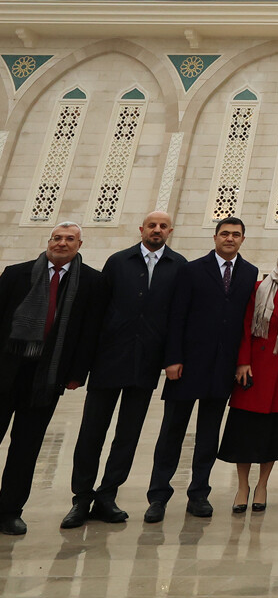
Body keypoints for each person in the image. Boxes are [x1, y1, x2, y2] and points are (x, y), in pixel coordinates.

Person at [63, 211, 184, 528]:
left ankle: (107, 495)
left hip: (145, 364)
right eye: (151, 225)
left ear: (170, 231)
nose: (156, 230)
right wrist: (83, 365)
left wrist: (171, 357)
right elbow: (98, 313)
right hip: (108, 360)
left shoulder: (178, 266)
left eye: (162, 226)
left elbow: (177, 319)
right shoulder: (118, 262)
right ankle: (81, 498)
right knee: (92, 432)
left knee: (127, 436)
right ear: (141, 229)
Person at [146, 216, 258, 523]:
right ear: (215, 237)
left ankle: (198, 493)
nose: (230, 239)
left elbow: (244, 322)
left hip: (221, 369)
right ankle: (158, 495)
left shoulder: (249, 273)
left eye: (236, 234)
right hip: (187, 365)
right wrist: (172, 359)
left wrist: (239, 361)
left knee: (208, 434)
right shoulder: (191, 270)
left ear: (242, 239)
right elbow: (177, 316)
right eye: (225, 234)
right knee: (172, 433)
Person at [0, 222, 102, 535]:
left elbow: (88, 333)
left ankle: (9, 511)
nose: (61, 243)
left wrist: (76, 374)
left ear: (79, 245)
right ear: (48, 241)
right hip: (6, 371)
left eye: (69, 239)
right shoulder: (16, 274)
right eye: (57, 238)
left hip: (47, 375)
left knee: (26, 446)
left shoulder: (91, 282)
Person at [218, 242, 278, 513]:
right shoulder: (260, 287)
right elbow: (247, 325)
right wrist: (242, 362)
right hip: (254, 370)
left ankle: (262, 485)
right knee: (244, 431)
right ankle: (242, 486)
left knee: (271, 432)